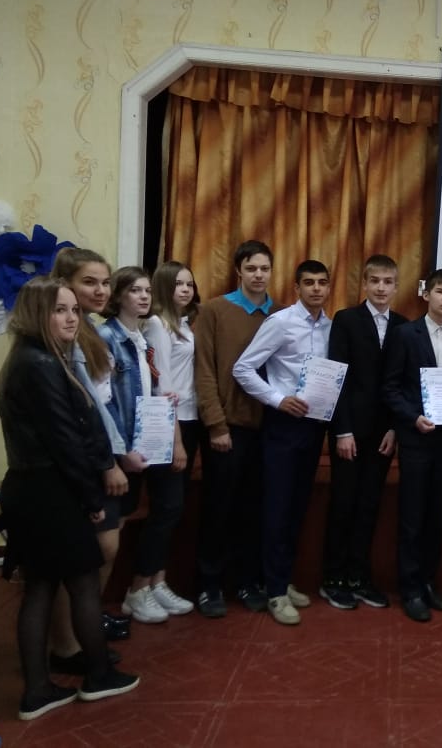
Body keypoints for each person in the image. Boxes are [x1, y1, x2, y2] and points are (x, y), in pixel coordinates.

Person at [0, 277, 139, 720]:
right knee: (81, 583)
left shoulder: (36, 357)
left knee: (42, 587)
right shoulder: (39, 363)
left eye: (74, 310)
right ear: (37, 314)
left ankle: (39, 690)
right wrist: (91, 499)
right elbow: (66, 441)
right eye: (60, 310)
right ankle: (98, 676)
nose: (72, 318)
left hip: (36, 488)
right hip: (49, 492)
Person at [233, 260, 333, 625]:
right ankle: (274, 592)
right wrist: (277, 399)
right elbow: (243, 368)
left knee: (296, 508)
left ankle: (282, 579)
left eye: (322, 283)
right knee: (276, 508)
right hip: (282, 425)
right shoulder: (280, 322)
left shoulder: (331, 327)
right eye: (309, 283)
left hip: (314, 426)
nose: (316, 289)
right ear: (296, 287)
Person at [49, 248, 135, 666]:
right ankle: (66, 644)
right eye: (89, 282)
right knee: (86, 557)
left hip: (107, 454)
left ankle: (86, 626)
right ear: (64, 285)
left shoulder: (91, 332)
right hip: (87, 462)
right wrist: (107, 463)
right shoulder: (63, 338)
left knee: (105, 549)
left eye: (105, 282)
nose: (101, 291)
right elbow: (86, 411)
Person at [99, 267, 194, 623]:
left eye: (146, 291)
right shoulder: (107, 336)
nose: (143, 297)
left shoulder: (139, 336)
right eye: (134, 290)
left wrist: (161, 397)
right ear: (118, 295)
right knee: (116, 523)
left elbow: (150, 385)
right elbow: (103, 402)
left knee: (169, 506)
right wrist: (121, 450)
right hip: (125, 446)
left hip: (149, 433)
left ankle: (149, 585)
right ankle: (115, 600)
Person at [194, 240, 278, 617]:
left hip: (268, 430)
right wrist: (216, 424)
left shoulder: (279, 314)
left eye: (265, 269)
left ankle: (246, 582)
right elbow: (204, 371)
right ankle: (209, 585)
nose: (258, 275)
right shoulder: (214, 310)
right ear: (238, 271)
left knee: (252, 510)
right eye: (252, 268)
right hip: (228, 428)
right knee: (219, 509)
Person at [383, 269, 442, 623]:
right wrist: (412, 417)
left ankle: (429, 581)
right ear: (426, 295)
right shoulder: (405, 334)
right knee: (412, 517)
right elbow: (391, 388)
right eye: (440, 291)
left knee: (438, 515)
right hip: (416, 439)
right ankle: (410, 588)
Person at [321, 254, 407, 610]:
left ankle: (358, 577)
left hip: (383, 434)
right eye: (375, 281)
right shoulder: (346, 320)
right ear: (365, 284)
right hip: (349, 432)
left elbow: (401, 384)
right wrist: (342, 430)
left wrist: (395, 428)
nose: (381, 288)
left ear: (396, 286)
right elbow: (337, 378)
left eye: (388, 282)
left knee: (369, 505)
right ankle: (333, 578)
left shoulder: (403, 326)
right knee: (344, 503)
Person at [142, 260, 202, 525]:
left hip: (190, 417)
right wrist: (175, 441)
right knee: (168, 504)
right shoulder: (158, 324)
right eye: (178, 284)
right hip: (168, 422)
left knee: (176, 504)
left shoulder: (184, 323)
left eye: (189, 284)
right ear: (164, 286)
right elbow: (162, 385)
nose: (186, 290)